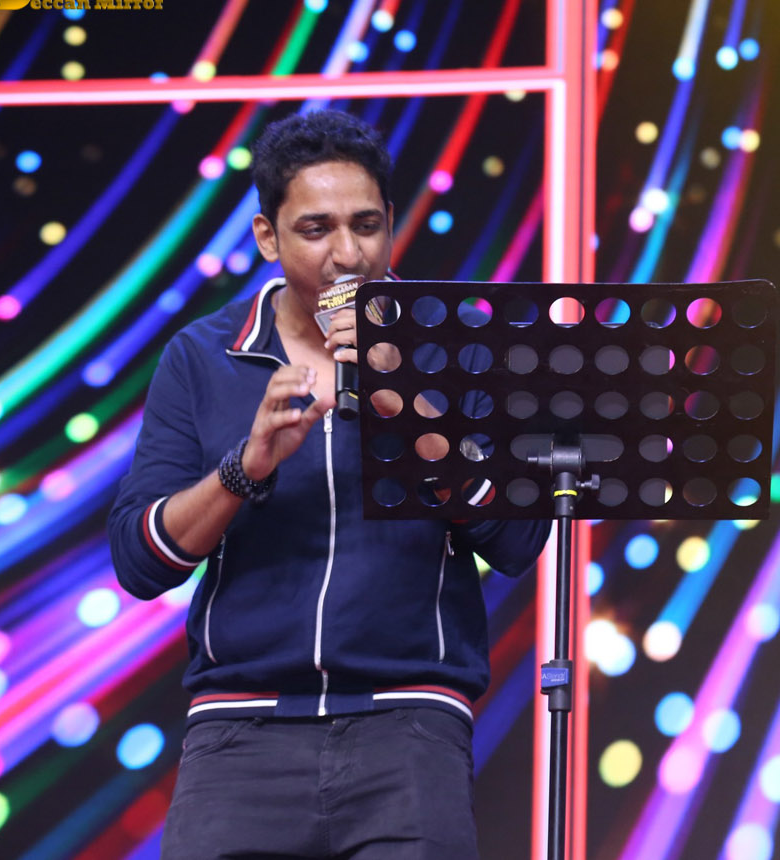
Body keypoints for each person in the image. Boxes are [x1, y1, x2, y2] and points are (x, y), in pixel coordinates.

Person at [108, 109, 549, 859]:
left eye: (366, 225)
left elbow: (513, 537)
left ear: (391, 224)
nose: (348, 254)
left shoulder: (462, 343)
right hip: (239, 732)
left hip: (409, 724)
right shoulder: (203, 355)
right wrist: (246, 466)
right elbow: (140, 560)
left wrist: (402, 399)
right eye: (316, 230)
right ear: (267, 237)